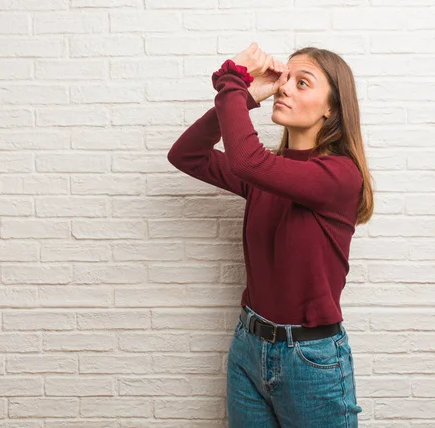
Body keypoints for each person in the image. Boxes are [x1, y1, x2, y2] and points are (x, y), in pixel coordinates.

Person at [167, 42, 374, 427]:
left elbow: (247, 161)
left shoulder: (339, 176)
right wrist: (242, 97)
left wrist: (234, 81)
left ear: (331, 108)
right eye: (285, 80)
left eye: (302, 83)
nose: (283, 89)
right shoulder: (266, 175)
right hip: (249, 347)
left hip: (310, 361)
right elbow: (186, 155)